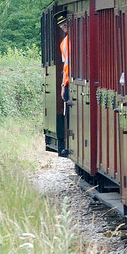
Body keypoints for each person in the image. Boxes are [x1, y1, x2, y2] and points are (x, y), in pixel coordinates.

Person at [58, 17, 71, 157]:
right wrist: (62, 85)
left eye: (65, 24)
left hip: (72, 81)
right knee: (68, 114)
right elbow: (64, 66)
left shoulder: (76, 39)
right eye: (62, 25)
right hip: (67, 82)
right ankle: (69, 144)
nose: (64, 27)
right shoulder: (64, 43)